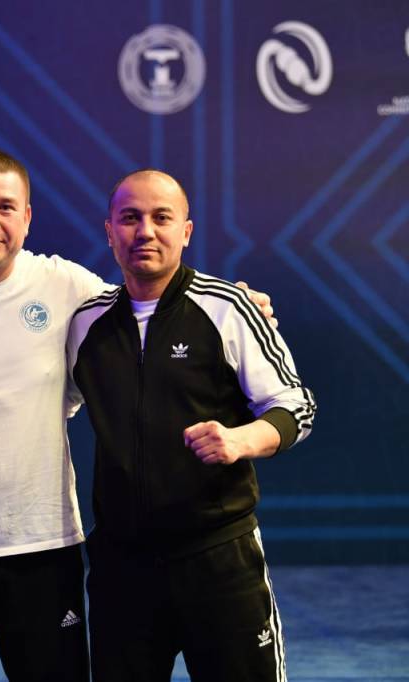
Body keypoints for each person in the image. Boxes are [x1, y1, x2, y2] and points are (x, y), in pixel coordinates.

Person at [0, 149, 278, 681]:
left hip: (44, 548)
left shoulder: (68, 288)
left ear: (27, 217)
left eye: (6, 207)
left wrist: (240, 303)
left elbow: (149, 305)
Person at [66, 169, 316, 681]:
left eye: (162, 218)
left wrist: (240, 439)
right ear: (109, 231)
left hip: (218, 557)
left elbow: (295, 405)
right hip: (121, 567)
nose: (145, 231)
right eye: (130, 218)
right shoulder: (85, 323)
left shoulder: (229, 308)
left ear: (186, 231)